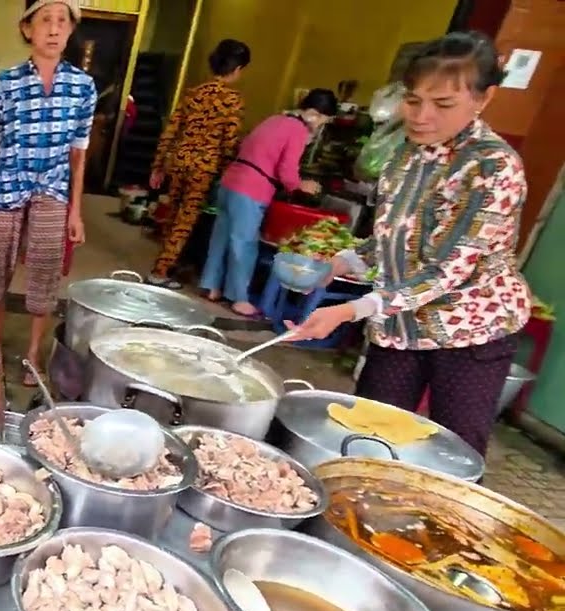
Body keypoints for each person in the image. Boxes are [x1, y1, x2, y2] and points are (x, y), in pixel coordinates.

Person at [286, 31, 527, 460]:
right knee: (366, 430)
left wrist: (352, 309)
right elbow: (393, 236)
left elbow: (449, 270)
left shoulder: (492, 167)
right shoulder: (406, 155)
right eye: (413, 100)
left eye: (443, 104)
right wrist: (337, 264)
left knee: (453, 453)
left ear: (484, 98)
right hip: (400, 325)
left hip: (468, 331)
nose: (421, 116)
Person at [0, 0, 97, 387]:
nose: (53, 29)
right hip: (6, 187)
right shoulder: (6, 82)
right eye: (45, 21)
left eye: (61, 22)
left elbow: (78, 155)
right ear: (27, 30)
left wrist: (75, 212)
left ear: (70, 30)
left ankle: (33, 354)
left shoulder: (82, 87)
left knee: (45, 274)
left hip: (53, 190)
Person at [200, 88, 336, 317]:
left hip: (230, 182)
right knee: (244, 244)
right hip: (251, 189)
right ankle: (238, 298)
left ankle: (211, 286)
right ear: (313, 113)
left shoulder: (276, 118)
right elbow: (287, 170)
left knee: (221, 237)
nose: (321, 125)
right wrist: (302, 185)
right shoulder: (298, 129)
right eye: (323, 119)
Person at [147, 39, 250, 289]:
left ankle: (166, 264)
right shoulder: (232, 100)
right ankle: (160, 271)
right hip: (203, 169)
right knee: (186, 221)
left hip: (180, 161)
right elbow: (229, 140)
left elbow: (171, 129)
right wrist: (227, 168)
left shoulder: (194, 92)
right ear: (237, 70)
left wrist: (159, 165)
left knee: (173, 215)